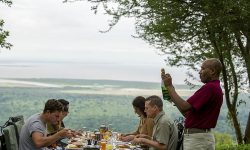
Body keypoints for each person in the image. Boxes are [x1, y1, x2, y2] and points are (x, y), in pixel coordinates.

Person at [161, 58, 223, 150]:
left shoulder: (210, 88)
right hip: (200, 137)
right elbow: (187, 114)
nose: (199, 72)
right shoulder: (215, 88)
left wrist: (169, 86)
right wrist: (172, 96)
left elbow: (184, 107)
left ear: (212, 71)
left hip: (198, 139)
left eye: (202, 69)